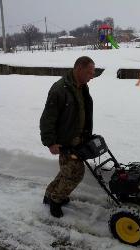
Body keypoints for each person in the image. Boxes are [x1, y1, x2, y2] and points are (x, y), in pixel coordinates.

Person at [40, 56, 95, 218]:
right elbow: (47, 118)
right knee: (75, 173)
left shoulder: (82, 86)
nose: (92, 76)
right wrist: (50, 142)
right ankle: (56, 201)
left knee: (67, 171)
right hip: (64, 141)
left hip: (79, 139)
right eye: (89, 72)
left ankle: (49, 194)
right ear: (78, 69)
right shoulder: (59, 89)